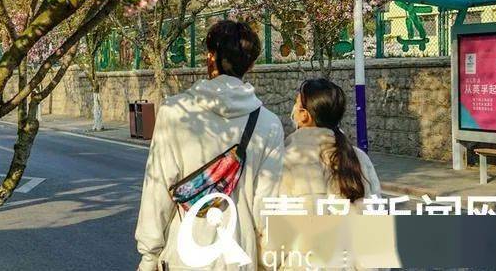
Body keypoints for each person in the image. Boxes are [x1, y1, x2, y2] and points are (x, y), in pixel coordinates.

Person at [135, 20, 285, 271]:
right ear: (250, 65)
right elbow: (267, 206)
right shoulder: (268, 124)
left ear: (210, 57)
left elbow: (157, 190)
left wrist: (149, 256)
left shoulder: (175, 112)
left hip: (184, 256)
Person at [271, 78, 381, 269]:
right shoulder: (358, 158)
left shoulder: (285, 160)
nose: (294, 110)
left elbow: (274, 237)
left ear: (304, 115)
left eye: (296, 103)